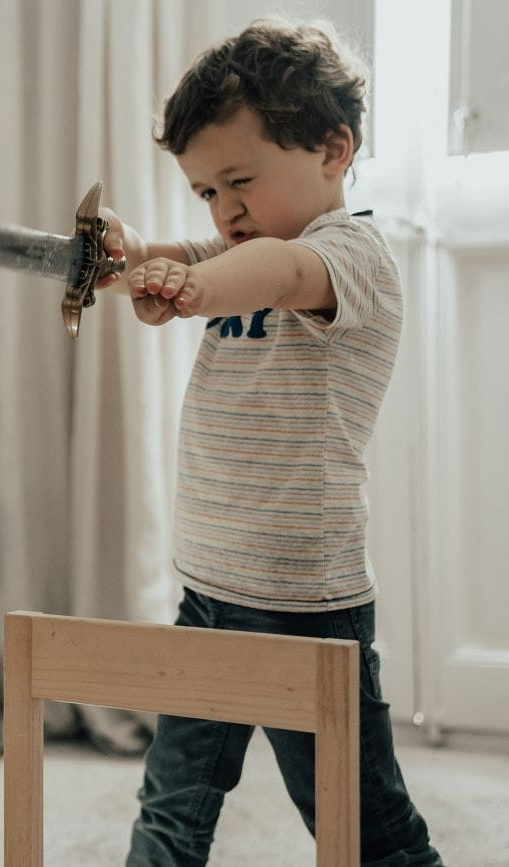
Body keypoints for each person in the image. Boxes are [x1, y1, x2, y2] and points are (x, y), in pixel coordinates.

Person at [94, 18, 444, 866]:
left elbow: (275, 275)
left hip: (307, 606)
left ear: (332, 148)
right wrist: (144, 255)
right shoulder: (236, 246)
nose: (225, 211)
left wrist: (188, 285)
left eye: (239, 181)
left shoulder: (349, 255)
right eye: (206, 192)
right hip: (208, 587)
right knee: (170, 803)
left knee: (358, 822)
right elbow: (199, 253)